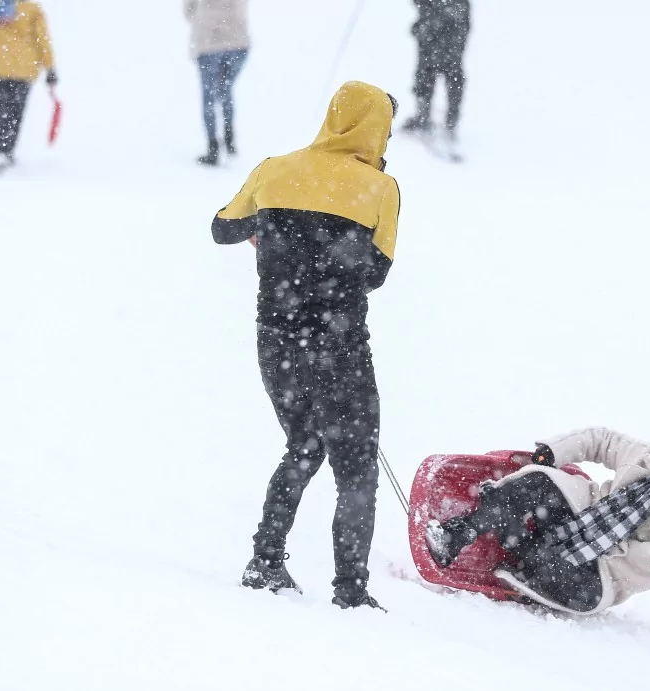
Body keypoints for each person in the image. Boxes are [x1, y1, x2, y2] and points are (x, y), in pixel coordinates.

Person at [211, 81, 400, 610]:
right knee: (357, 468)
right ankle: (351, 592)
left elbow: (222, 228)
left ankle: (265, 560)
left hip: (276, 342)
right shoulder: (380, 189)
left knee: (304, 445)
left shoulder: (274, 169)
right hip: (340, 348)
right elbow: (376, 274)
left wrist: (269, 232)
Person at [426, 422, 650, 671]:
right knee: (537, 483)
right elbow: (600, 440)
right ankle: (460, 534)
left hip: (599, 576)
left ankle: (516, 541)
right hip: (579, 514)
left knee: (546, 566)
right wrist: (556, 451)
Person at [0, 0, 57, 175]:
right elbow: (42, 39)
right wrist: (50, 68)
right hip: (23, 70)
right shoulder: (32, 10)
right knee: (15, 112)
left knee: (1, 111)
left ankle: (1, 151)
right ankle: (7, 151)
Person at [184, 0, 250, 166]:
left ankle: (213, 146)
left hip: (209, 43)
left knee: (209, 97)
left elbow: (189, 11)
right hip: (237, 43)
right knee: (225, 89)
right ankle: (229, 134)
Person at [402, 0, 470, 139]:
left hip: (448, 23)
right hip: (440, 25)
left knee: (445, 70)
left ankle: (448, 121)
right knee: (431, 70)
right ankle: (426, 116)